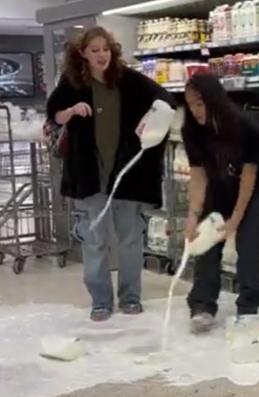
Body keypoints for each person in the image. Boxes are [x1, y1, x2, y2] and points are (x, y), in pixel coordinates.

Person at [46, 26, 174, 322]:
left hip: (127, 175)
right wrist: (72, 111)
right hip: (89, 176)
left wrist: (149, 118)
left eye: (106, 49)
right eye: (95, 50)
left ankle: (131, 298)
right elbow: (54, 114)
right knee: (95, 240)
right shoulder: (73, 82)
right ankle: (101, 301)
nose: (101, 55)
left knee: (130, 239)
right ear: (83, 54)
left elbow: (165, 99)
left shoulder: (128, 80)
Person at [181, 73, 259, 333]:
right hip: (218, 182)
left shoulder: (245, 127)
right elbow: (198, 175)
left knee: (247, 240)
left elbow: (249, 177)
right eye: (190, 104)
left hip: (253, 185)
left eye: (199, 103)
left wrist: (235, 220)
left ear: (213, 100)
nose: (195, 110)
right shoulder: (191, 130)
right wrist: (193, 215)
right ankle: (202, 305)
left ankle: (249, 306)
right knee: (207, 238)